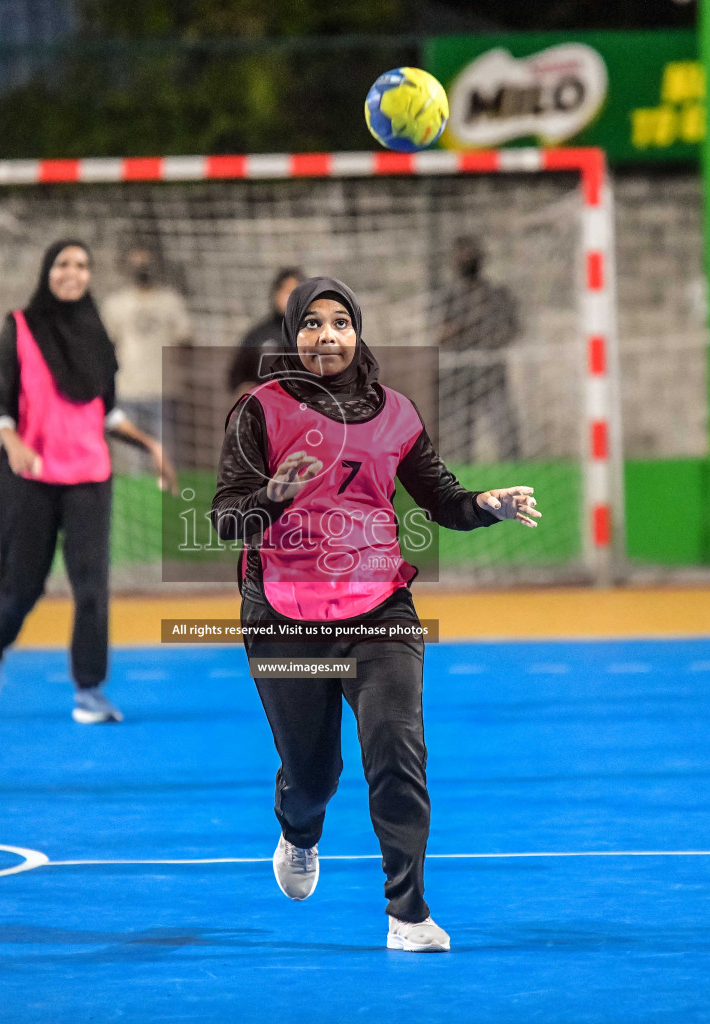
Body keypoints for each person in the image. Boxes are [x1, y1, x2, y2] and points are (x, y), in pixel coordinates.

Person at [210, 277, 539, 952]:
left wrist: (484, 504)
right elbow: (225, 519)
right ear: (291, 334)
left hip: (380, 607)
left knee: (396, 750)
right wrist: (275, 492)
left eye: (339, 323)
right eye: (311, 324)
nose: (325, 336)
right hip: (280, 615)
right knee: (313, 774)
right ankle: (299, 832)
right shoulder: (258, 411)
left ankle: (408, 915)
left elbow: (439, 498)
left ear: (358, 332)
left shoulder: (396, 412)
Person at [0, 240, 173, 725]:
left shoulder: (98, 335)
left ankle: (90, 690)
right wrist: (13, 442)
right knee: (22, 586)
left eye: (82, 265)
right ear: (47, 271)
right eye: (63, 264)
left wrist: (151, 445)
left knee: (92, 586)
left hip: (89, 475)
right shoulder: (18, 328)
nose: (72, 272)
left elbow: (107, 410)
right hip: (29, 476)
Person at [98, 242, 193, 469]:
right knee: (134, 466)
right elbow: (104, 348)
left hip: (163, 393)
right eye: (137, 263)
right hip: (127, 393)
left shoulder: (170, 301)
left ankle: (168, 505)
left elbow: (186, 341)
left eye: (146, 262)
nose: (142, 268)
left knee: (166, 461)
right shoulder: (116, 304)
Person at [435, 236, 521, 462]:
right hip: (459, 376)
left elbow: (512, 329)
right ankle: (462, 486)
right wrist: (457, 329)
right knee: (460, 439)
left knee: (506, 434)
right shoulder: (449, 298)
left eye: (470, 254)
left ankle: (517, 477)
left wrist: (489, 339)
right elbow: (441, 335)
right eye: (461, 255)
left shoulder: (496, 295)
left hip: (490, 373)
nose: (465, 259)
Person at [227, 267, 304, 398]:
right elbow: (236, 377)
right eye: (287, 292)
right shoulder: (258, 335)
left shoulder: (315, 335)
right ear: (276, 293)